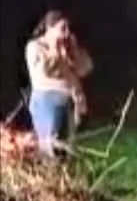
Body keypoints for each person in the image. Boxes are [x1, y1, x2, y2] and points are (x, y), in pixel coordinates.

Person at [22, 10, 93, 156]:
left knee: (67, 148)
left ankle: (64, 168)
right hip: (47, 101)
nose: (66, 33)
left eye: (68, 29)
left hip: (70, 102)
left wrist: (74, 52)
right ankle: (49, 167)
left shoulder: (67, 47)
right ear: (50, 28)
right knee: (53, 147)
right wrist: (55, 51)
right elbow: (45, 71)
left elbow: (85, 69)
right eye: (62, 28)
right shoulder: (35, 47)